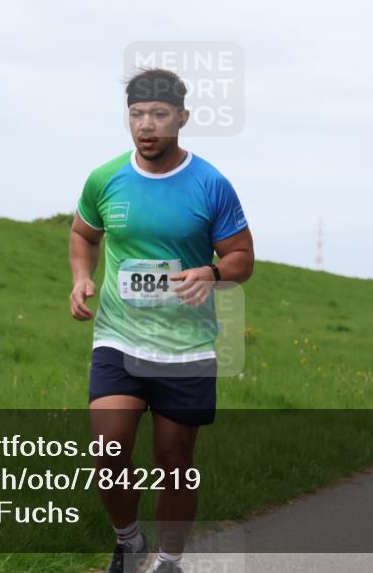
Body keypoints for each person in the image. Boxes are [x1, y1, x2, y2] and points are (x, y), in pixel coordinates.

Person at [69, 68, 255, 573]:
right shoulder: (105, 179)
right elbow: (84, 235)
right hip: (118, 338)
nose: (146, 125)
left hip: (186, 347)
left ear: (182, 117)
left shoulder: (210, 184)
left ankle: (169, 560)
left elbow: (242, 258)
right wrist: (82, 278)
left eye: (158, 114)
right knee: (109, 451)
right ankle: (129, 541)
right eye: (136, 114)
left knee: (174, 463)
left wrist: (211, 272)